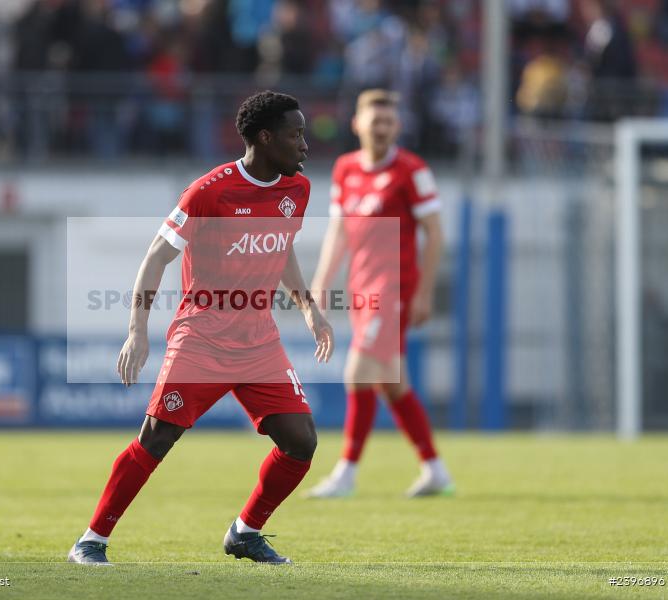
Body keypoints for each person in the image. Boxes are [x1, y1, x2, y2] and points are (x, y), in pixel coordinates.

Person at [68, 91, 333, 565]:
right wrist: (137, 329)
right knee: (157, 438)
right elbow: (157, 255)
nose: (304, 145)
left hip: (259, 341)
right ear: (266, 137)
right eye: (296, 135)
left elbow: (281, 246)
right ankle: (92, 539)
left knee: (301, 441)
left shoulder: (297, 190)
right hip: (203, 337)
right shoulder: (209, 191)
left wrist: (308, 307)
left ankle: (245, 532)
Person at [305, 89, 454, 499]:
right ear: (357, 124)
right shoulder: (345, 169)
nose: (382, 128)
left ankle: (346, 474)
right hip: (361, 289)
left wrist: (423, 293)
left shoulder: (412, 170)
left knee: (358, 373)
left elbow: (436, 232)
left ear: (398, 127)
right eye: (375, 121)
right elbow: (339, 231)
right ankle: (435, 470)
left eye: (389, 121)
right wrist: (321, 281)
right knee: (393, 383)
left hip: (396, 289)